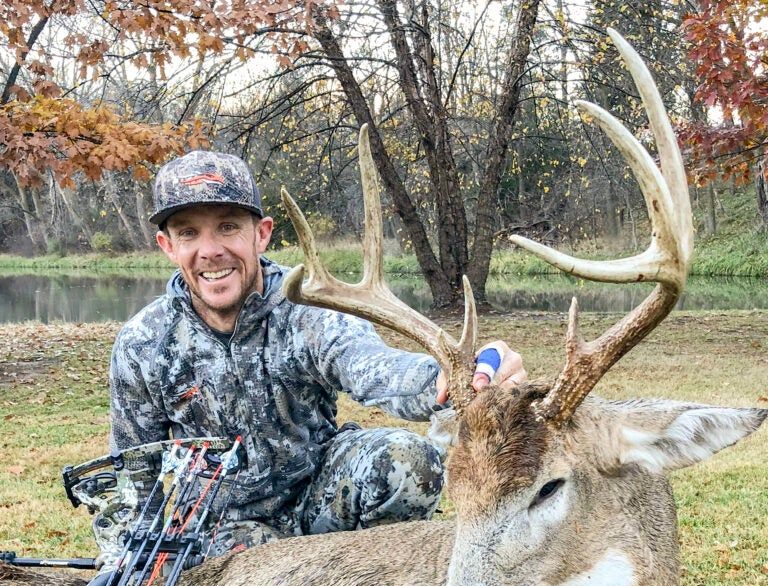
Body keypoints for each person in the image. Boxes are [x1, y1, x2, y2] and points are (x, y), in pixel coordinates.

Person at [109, 151, 527, 557]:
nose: (210, 250)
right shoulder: (144, 343)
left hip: (320, 496)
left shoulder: (308, 310)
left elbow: (372, 367)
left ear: (261, 234)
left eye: (228, 227)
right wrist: (129, 560)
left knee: (407, 461)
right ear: (167, 245)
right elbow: (134, 471)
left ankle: (370, 583)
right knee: (250, 567)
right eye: (188, 233)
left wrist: (458, 377)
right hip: (223, 528)